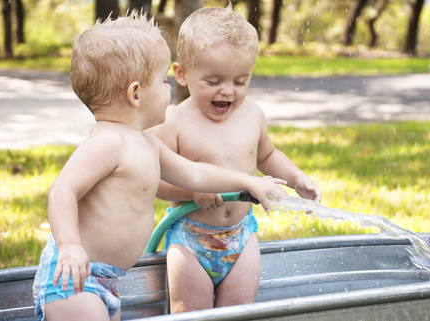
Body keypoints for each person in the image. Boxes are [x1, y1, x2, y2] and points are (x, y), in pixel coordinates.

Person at [32, 12, 286, 321]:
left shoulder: (148, 144)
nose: (169, 89)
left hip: (107, 279)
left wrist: (248, 182)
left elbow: (195, 173)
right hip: (74, 277)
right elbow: (63, 189)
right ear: (136, 94)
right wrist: (70, 245)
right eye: (163, 80)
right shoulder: (108, 142)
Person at [153, 5, 322, 314]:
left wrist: (297, 177)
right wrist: (190, 192)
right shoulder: (173, 122)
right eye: (214, 81)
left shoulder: (252, 116)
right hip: (191, 239)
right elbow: (155, 181)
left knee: (239, 312)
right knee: (192, 314)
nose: (228, 91)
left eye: (240, 81)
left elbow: (267, 155)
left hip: (242, 238)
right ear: (182, 74)